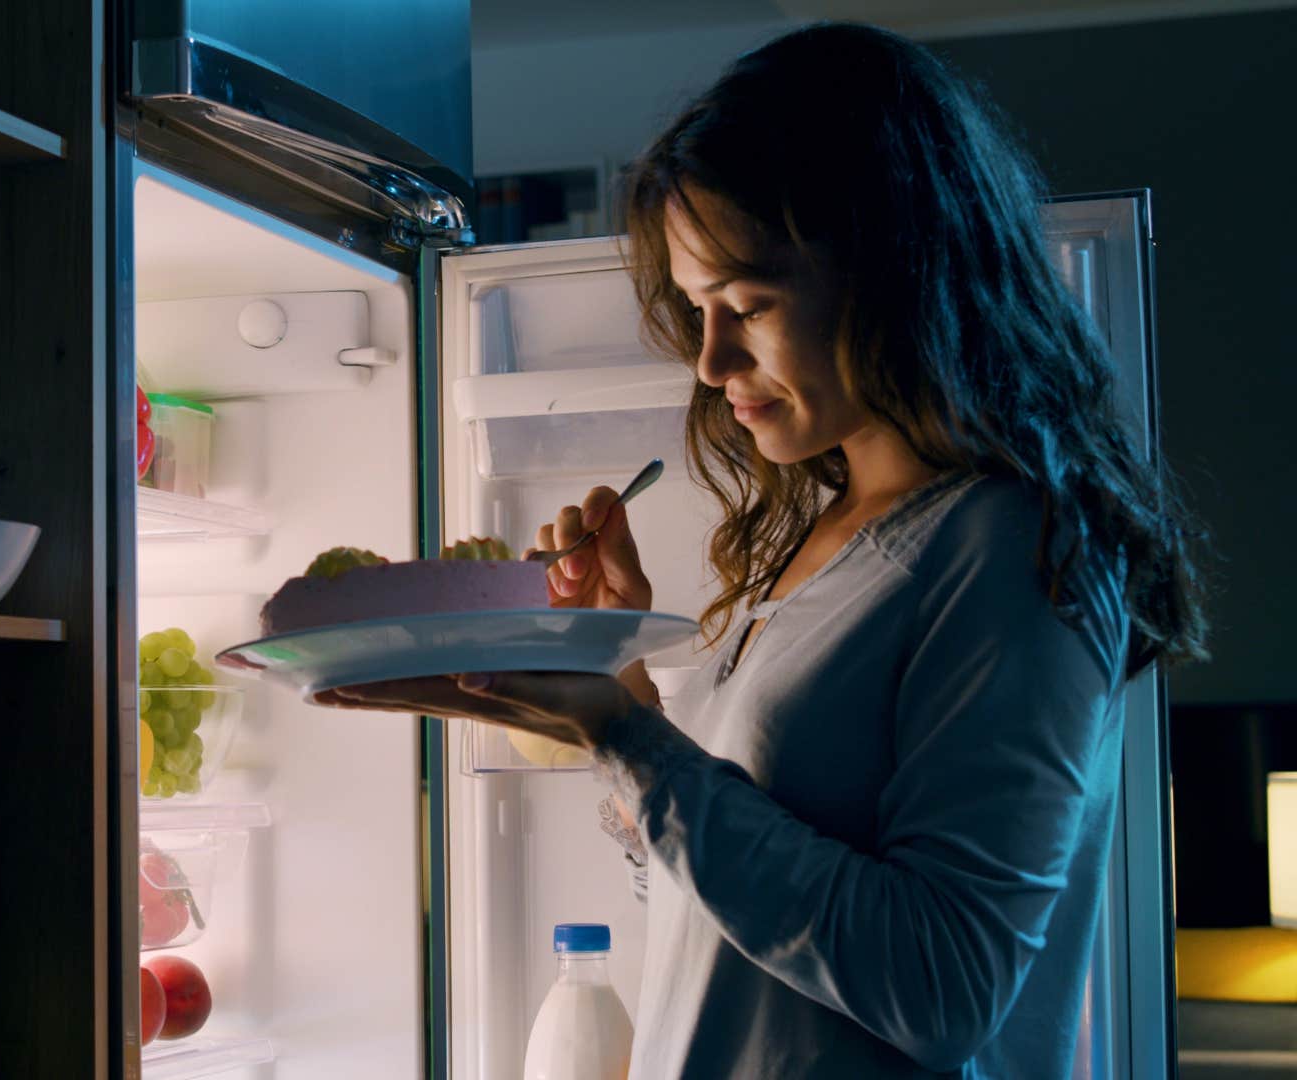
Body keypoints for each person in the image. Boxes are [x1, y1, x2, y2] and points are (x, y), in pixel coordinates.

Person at [313, 21, 1207, 1078]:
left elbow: (944, 987)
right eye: (697, 309)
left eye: (747, 304)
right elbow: (726, 923)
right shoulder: (823, 543)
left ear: (895, 271)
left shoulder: (1010, 547)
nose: (709, 359)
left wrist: (626, 740)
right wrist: (621, 688)